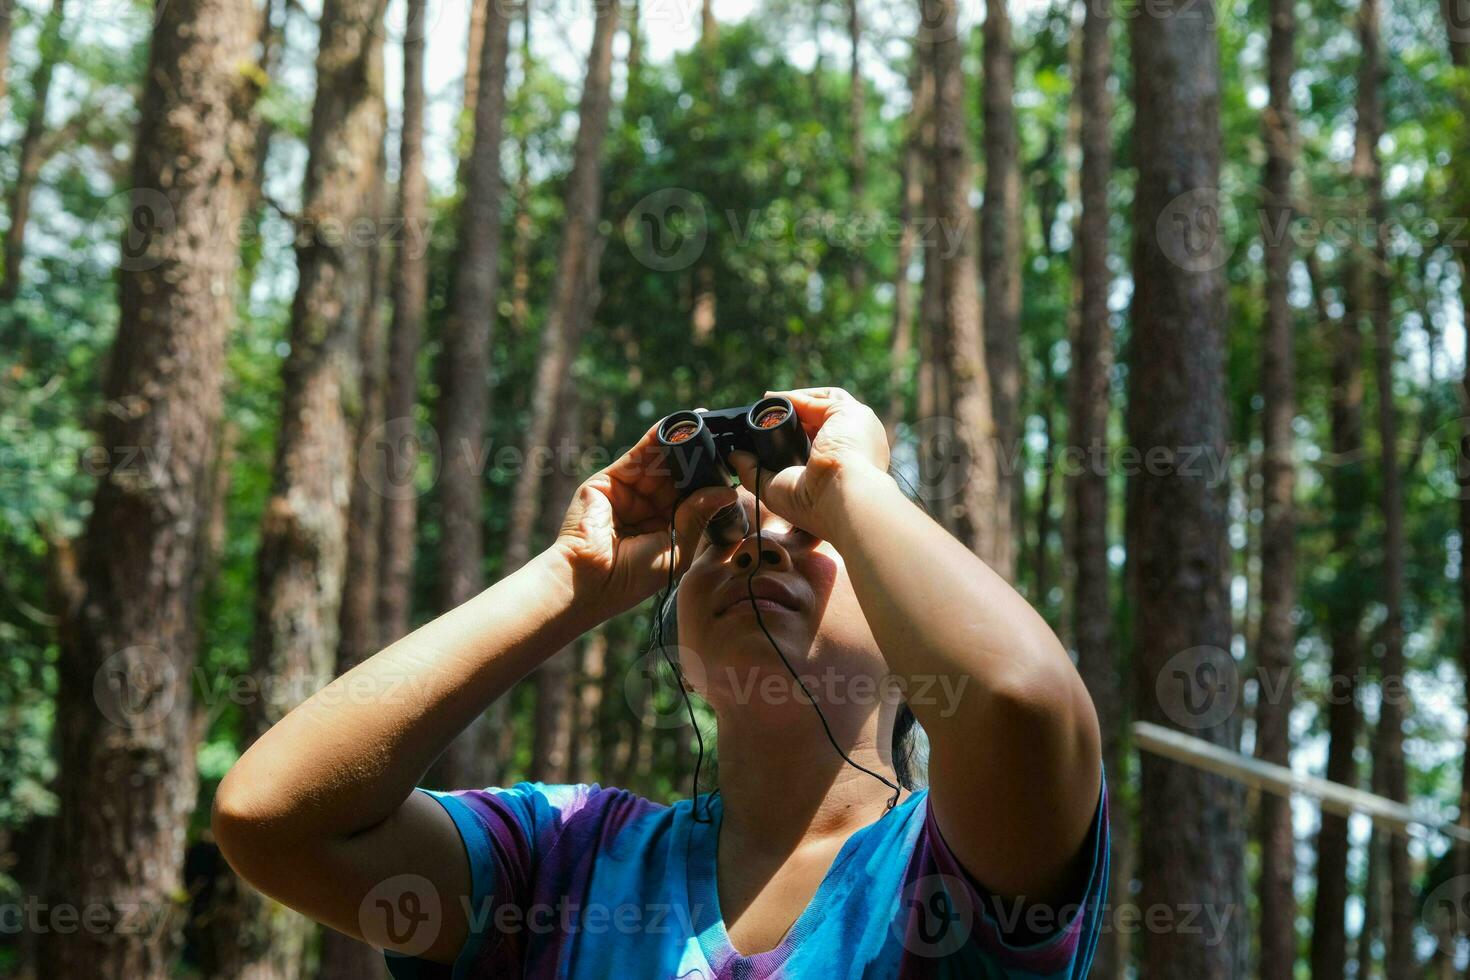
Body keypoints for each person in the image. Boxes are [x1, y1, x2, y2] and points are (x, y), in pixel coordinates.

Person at [214, 386, 1108, 978]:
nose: (754, 546)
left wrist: (844, 481)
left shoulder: (955, 858)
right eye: (717, 537)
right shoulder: (563, 862)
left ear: (911, 628)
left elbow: (1020, 700)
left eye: (809, 534)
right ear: (682, 654)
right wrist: (572, 579)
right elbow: (277, 819)